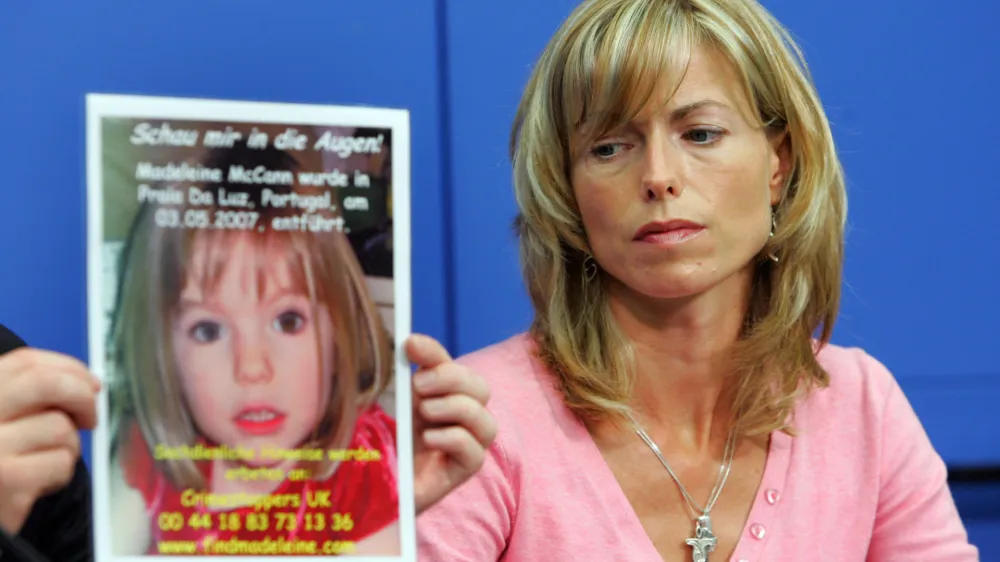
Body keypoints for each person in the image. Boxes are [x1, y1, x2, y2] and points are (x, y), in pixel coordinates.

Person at [416, 0, 979, 561]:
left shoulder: (861, 407)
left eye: (701, 134)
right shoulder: (473, 422)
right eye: (610, 147)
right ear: (567, 190)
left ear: (777, 166)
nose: (659, 177)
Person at [0, 160, 495, 559]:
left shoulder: (368, 467)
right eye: (209, 330)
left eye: (288, 321)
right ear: (162, 356)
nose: (252, 368)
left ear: (342, 331)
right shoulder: (147, 461)